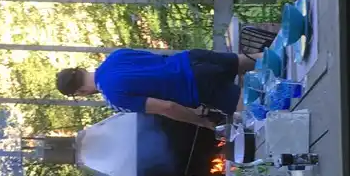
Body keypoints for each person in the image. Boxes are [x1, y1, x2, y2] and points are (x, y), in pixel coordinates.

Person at [56, 48, 256, 129]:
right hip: (192, 58)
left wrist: (202, 122)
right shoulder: (116, 56)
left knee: (257, 105)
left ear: (80, 93)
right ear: (81, 70)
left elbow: (167, 107)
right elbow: (156, 63)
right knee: (255, 60)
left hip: (196, 86)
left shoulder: (114, 98)